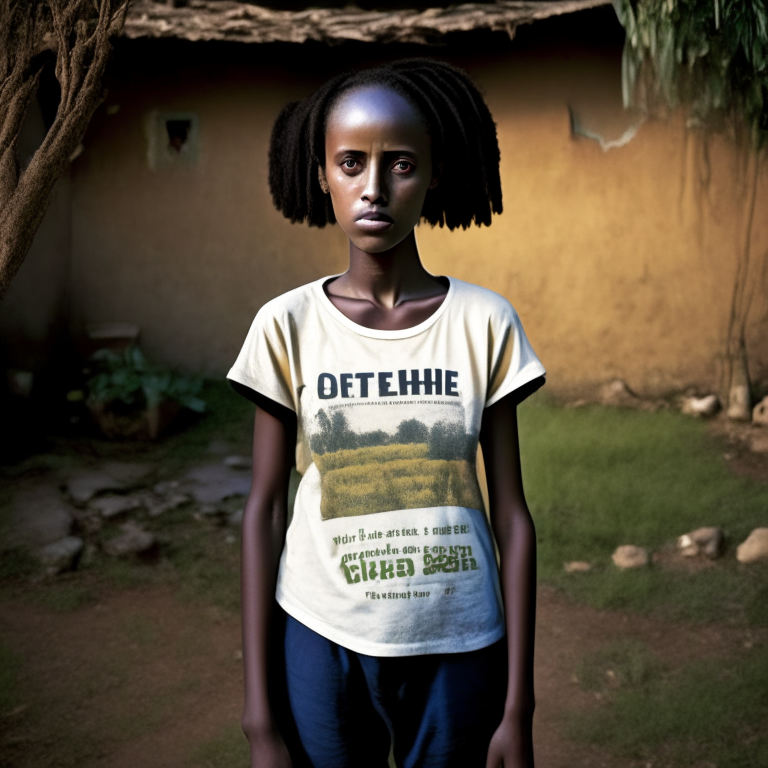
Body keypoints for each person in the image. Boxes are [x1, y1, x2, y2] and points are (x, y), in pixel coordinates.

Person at [227, 58, 546, 768]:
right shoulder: (287, 325)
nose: (373, 188)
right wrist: (259, 720)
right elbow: (262, 510)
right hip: (320, 637)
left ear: (433, 174)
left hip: (462, 643)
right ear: (321, 176)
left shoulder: (483, 323)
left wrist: (519, 708)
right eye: (350, 163)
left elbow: (513, 516)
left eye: (400, 163)